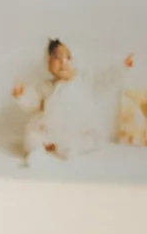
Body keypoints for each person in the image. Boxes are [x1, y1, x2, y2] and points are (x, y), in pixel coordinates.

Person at [11, 38, 133, 166]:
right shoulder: (46, 86)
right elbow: (33, 102)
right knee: (31, 135)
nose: (63, 62)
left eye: (68, 58)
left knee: (92, 139)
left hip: (79, 129)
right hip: (52, 129)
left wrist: (122, 68)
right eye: (57, 57)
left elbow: (106, 79)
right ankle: (39, 152)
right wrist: (21, 95)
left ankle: (64, 148)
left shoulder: (85, 79)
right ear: (48, 63)